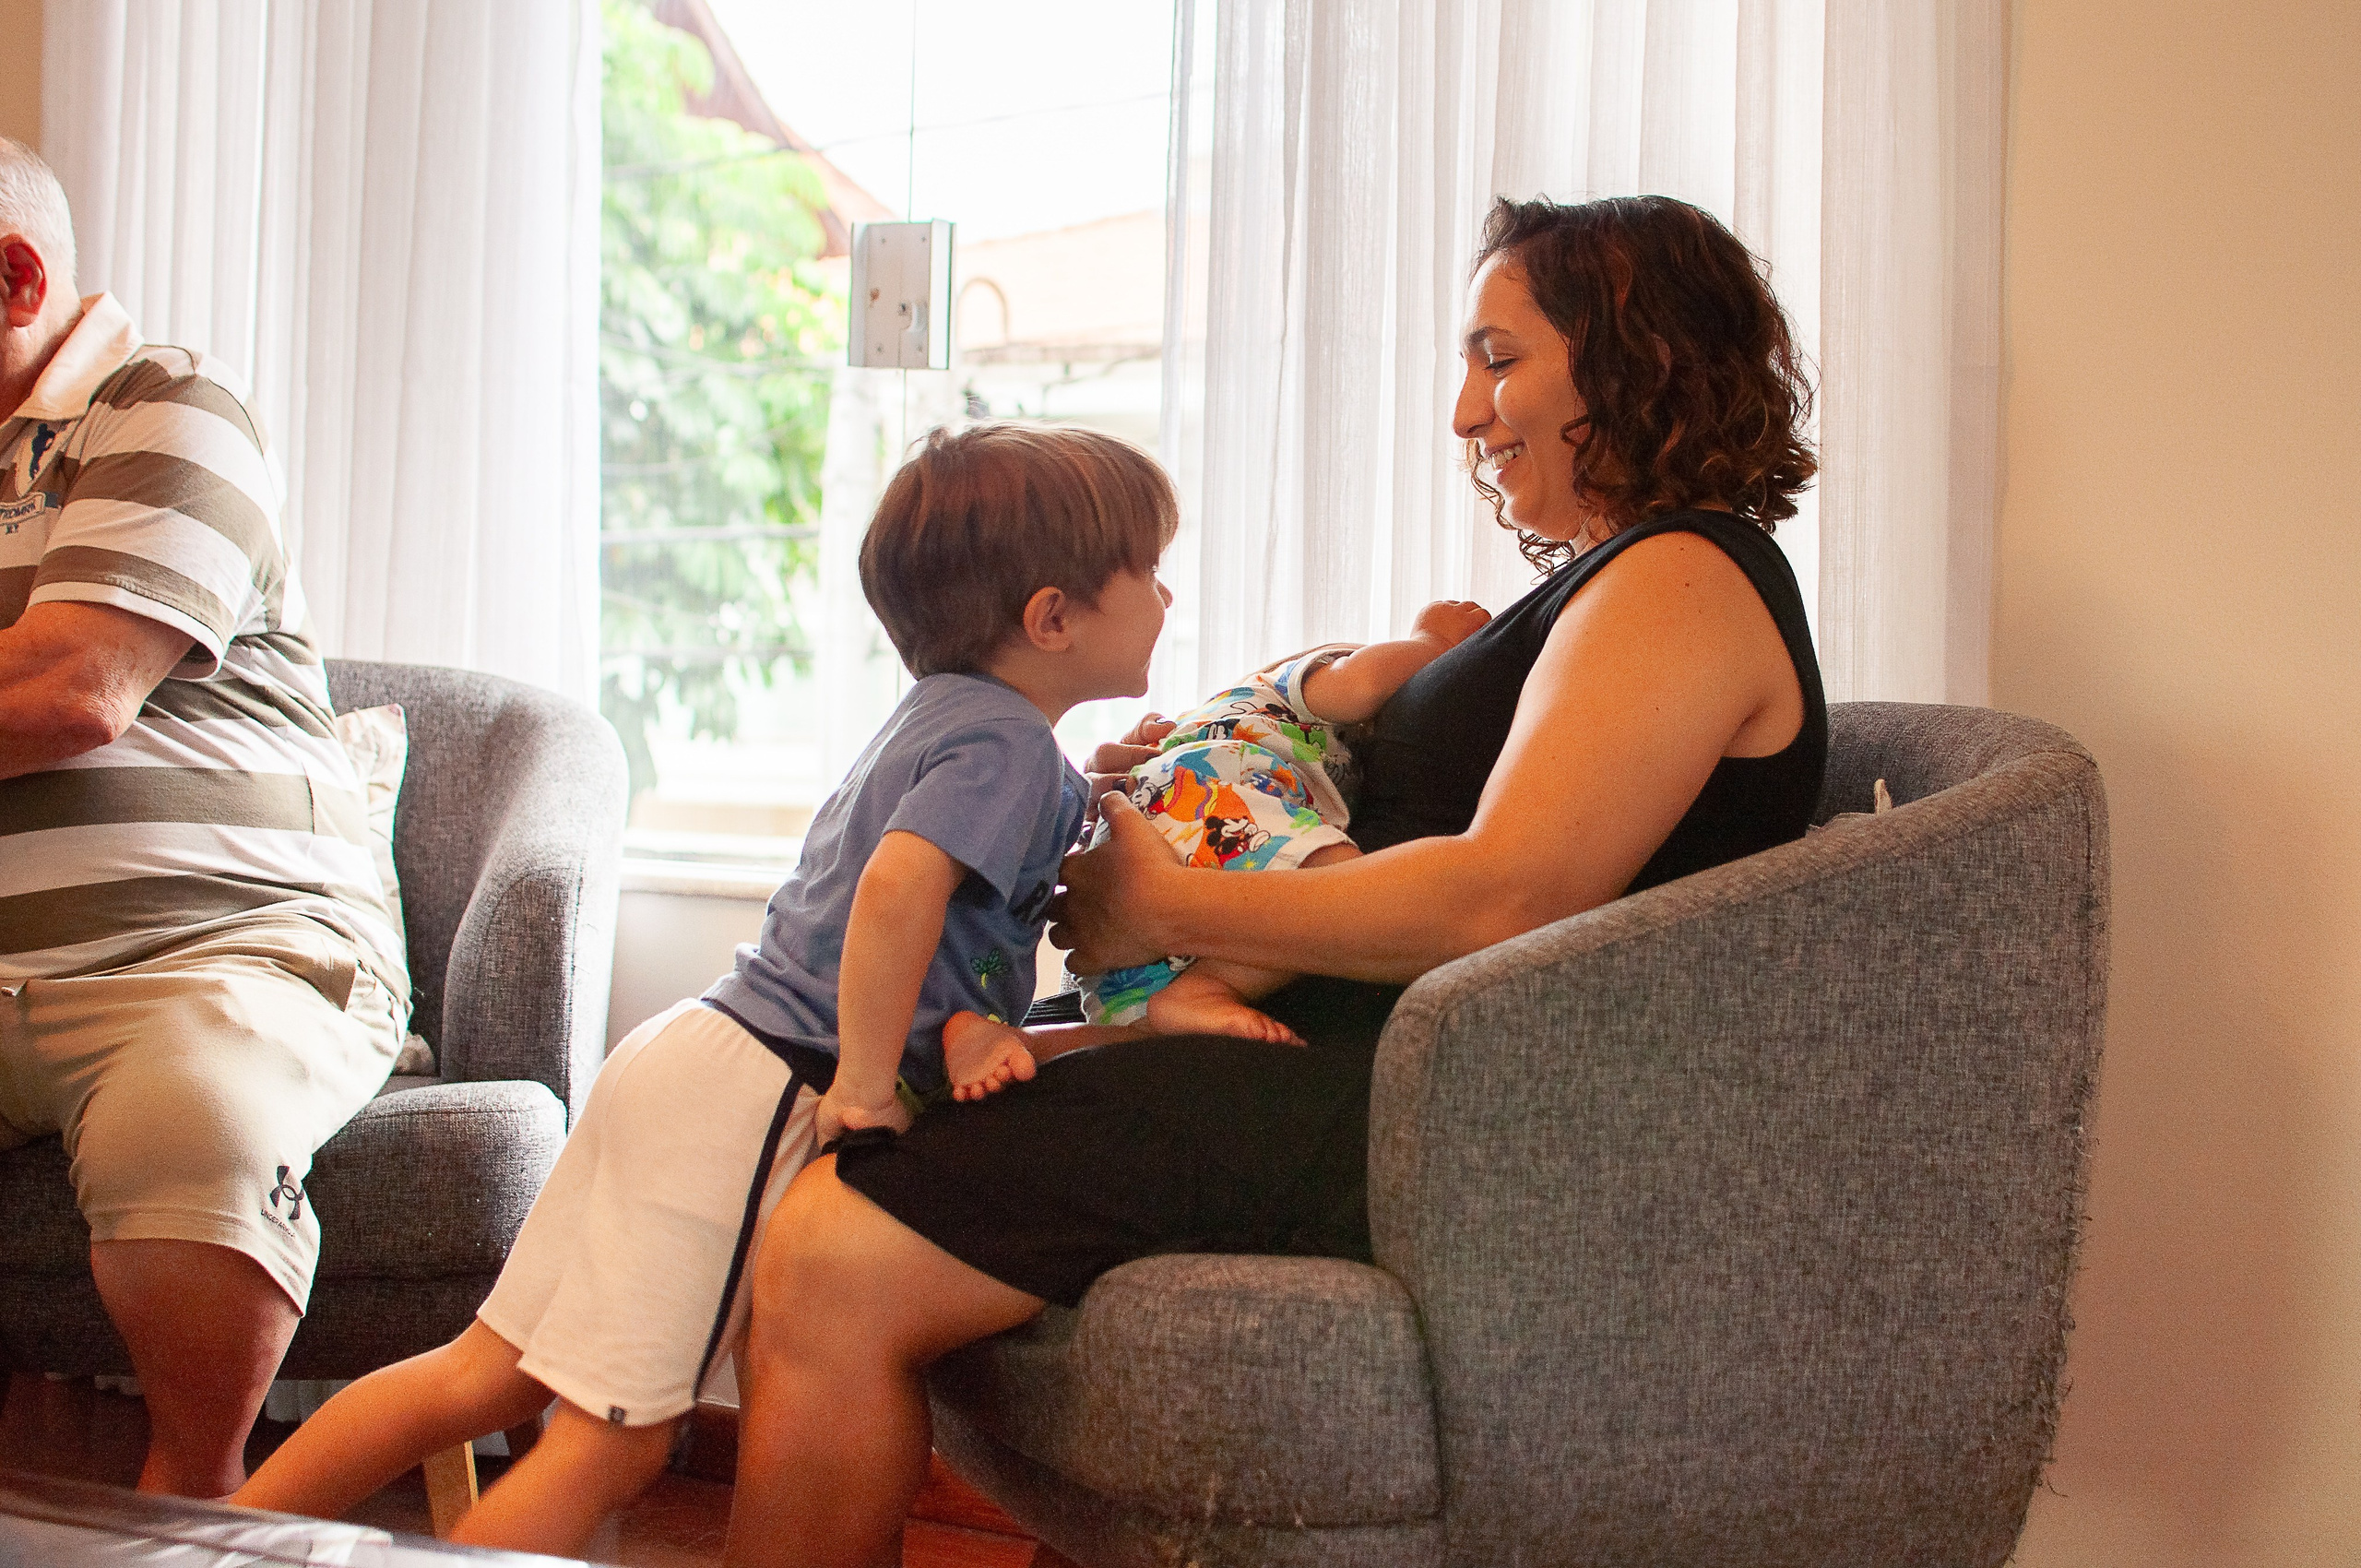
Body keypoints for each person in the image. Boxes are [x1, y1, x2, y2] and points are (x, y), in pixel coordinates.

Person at [719, 192, 1830, 1568]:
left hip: (1430, 1105)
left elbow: (1503, 898)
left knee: (833, 1255)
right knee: (862, 1168)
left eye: (1501, 358)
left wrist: (1169, 908)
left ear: (1634, 352)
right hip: (1356, 1055)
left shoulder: (1685, 577)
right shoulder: (1620, 580)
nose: (1467, 413)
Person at [231, 423, 1180, 1556]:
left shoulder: (965, 726)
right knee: (609, 1448)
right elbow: (896, 891)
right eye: (1150, 568)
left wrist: (1106, 777)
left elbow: (979, 855)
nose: (1168, 594)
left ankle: (196, 1537)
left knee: (480, 1373)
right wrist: (870, 1082)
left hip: (691, 1054)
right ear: (1054, 617)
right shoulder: (1006, 751)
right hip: (767, 1089)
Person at [0, 138, 409, 1499]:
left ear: (14, 280)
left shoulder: (162, 404)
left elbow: (71, 687)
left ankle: (194, 1509)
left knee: (190, 1120)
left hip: (219, 954)